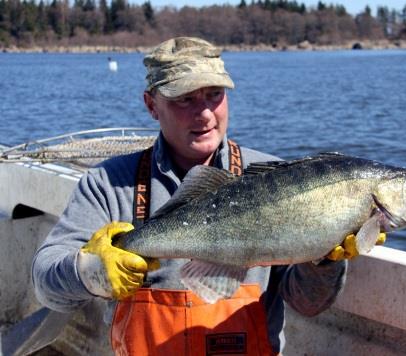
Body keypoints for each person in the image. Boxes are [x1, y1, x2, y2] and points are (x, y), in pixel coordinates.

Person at [32, 37, 381, 355]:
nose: (204, 114)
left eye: (214, 94)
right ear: (152, 105)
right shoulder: (109, 184)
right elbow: (47, 284)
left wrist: (323, 262)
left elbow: (307, 304)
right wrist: (91, 270)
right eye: (184, 99)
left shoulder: (276, 176)